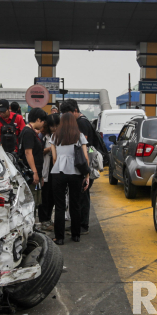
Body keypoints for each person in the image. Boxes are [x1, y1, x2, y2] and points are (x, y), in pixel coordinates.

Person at [59, 99, 106, 235]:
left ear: (75, 111)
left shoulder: (81, 123)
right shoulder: (79, 122)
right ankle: (77, 224)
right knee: (79, 195)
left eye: (67, 113)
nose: (65, 117)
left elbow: (81, 145)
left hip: (85, 165)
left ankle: (83, 226)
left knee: (82, 196)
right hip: (82, 164)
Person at [50, 112, 90, 245]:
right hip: (76, 173)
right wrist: (87, 175)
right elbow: (85, 157)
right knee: (75, 204)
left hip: (58, 172)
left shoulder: (54, 136)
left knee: (60, 206)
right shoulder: (79, 136)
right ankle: (76, 235)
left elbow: (54, 158)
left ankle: (59, 238)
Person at [19, 108, 47, 219]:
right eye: (43, 122)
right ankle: (30, 226)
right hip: (30, 174)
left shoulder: (29, 131)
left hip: (34, 173)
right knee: (31, 202)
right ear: (39, 119)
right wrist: (35, 172)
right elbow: (28, 153)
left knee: (33, 201)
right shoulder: (28, 132)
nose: (43, 124)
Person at [37, 113, 60, 232]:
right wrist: (51, 148)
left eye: (56, 125)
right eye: (52, 126)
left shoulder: (61, 135)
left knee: (52, 196)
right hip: (45, 168)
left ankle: (49, 220)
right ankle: (43, 221)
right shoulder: (42, 136)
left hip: (56, 169)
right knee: (44, 196)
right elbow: (39, 152)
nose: (54, 128)